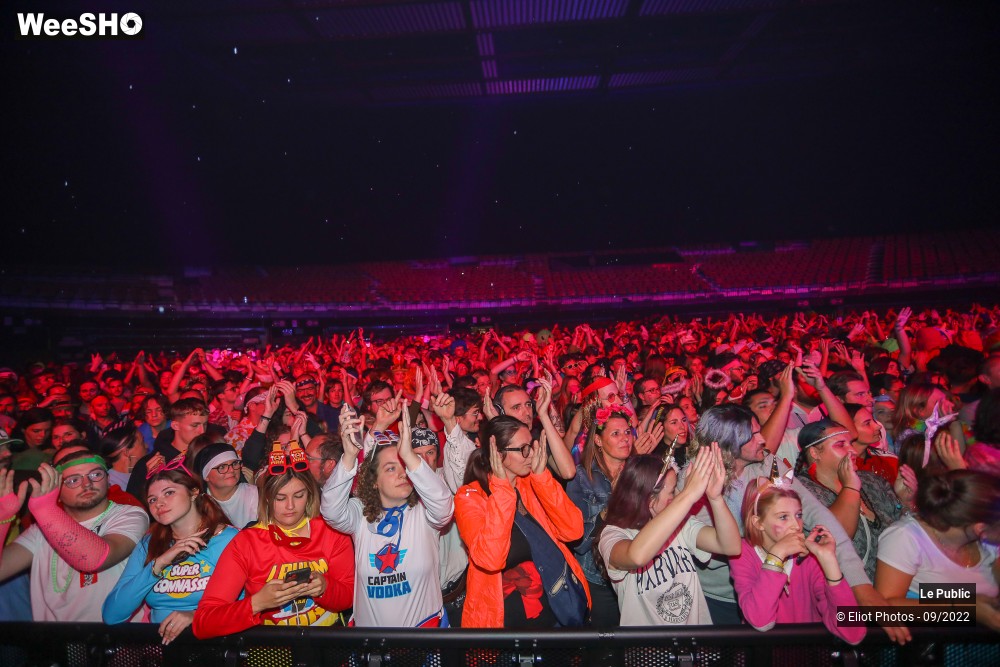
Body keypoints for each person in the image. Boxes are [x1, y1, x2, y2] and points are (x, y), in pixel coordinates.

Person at [321, 402, 454, 627]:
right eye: (391, 468)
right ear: (374, 481)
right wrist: (349, 456)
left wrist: (410, 456)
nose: (403, 474)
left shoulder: (424, 511)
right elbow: (331, 510)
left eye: (405, 466)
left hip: (425, 636)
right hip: (370, 642)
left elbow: (444, 506)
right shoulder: (360, 514)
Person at [192, 457, 354, 637]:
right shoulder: (246, 542)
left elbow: (349, 598)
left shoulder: (331, 531)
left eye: (299, 495)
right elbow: (204, 622)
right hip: (270, 648)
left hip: (326, 643)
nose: (290, 506)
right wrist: (257, 603)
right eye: (280, 498)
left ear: (310, 494)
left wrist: (325, 588)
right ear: (267, 498)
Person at [455, 416, 590, 628]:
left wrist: (543, 479)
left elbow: (573, 530)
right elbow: (491, 560)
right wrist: (502, 488)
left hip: (556, 610)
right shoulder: (470, 497)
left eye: (532, 446)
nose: (532, 455)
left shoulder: (531, 482)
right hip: (505, 621)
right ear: (498, 454)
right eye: (524, 449)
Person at [597, 446, 741, 625]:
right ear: (649, 499)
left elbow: (731, 546)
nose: (676, 496)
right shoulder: (612, 535)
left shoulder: (680, 524)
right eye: (672, 492)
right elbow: (637, 556)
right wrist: (688, 495)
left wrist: (715, 498)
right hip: (648, 642)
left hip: (694, 640)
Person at [0, 452, 149, 621]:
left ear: (108, 480)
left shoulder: (129, 515)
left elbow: (94, 559)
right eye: (73, 480)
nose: (87, 484)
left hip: (116, 634)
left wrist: (45, 509)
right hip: (55, 637)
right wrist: (3, 518)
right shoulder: (39, 532)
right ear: (57, 488)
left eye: (96, 474)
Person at [102, 464, 237, 644]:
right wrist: (158, 565)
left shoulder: (228, 539)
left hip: (216, 645)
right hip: (161, 649)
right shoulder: (148, 544)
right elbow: (112, 615)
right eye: (152, 499)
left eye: (169, 493)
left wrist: (197, 616)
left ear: (194, 492)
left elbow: (250, 604)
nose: (159, 503)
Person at [731, 477, 865, 645]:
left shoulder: (808, 557)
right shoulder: (742, 553)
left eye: (799, 515)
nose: (796, 525)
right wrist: (777, 555)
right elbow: (760, 621)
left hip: (808, 653)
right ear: (758, 523)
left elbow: (854, 633)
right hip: (765, 654)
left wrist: (829, 561)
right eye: (783, 517)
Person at [876, 469, 1000, 631]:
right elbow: (885, 607)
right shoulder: (906, 537)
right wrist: (964, 607)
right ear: (980, 528)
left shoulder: (989, 544)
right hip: (929, 643)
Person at [793, 419, 907, 581]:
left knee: (940, 592)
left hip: (898, 578)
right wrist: (850, 487)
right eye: (840, 445)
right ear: (814, 453)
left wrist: (907, 501)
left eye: (851, 443)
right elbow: (837, 538)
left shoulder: (871, 481)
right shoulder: (801, 493)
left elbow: (903, 531)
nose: (852, 450)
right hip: (848, 587)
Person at [127, 398, 209, 499]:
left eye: (205, 424)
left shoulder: (208, 453)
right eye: (195, 425)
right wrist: (151, 479)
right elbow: (133, 503)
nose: (202, 431)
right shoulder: (150, 463)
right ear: (175, 425)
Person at [194, 442, 258, 528]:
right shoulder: (199, 506)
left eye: (234, 463)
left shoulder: (255, 495)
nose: (231, 470)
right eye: (222, 467)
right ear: (206, 476)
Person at [99, 426, 148, 492]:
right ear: (126, 452)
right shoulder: (111, 486)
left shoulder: (141, 471)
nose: (147, 446)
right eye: (142, 442)